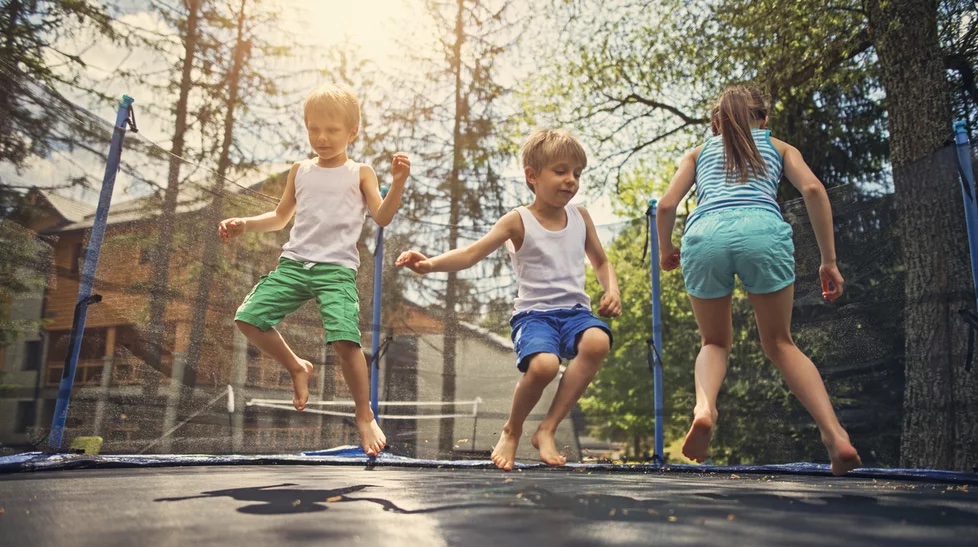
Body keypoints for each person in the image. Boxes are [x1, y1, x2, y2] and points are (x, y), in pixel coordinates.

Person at [656, 84, 861, 475]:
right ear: (764, 119)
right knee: (780, 343)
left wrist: (667, 248)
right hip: (762, 231)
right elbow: (814, 190)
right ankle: (835, 437)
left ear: (715, 124)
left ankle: (704, 409)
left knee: (714, 341)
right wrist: (828, 261)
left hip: (705, 236)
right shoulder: (780, 148)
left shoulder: (698, 154)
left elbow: (667, 205)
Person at [395, 129, 621, 471]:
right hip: (534, 316)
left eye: (577, 173)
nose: (571, 180)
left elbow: (602, 262)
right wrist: (429, 265)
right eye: (561, 171)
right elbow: (472, 253)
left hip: (575, 313)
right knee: (544, 365)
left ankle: (547, 428)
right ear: (532, 175)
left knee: (597, 341)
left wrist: (611, 290)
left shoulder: (581, 217)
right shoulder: (518, 220)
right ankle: (512, 429)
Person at [218, 83, 410, 456]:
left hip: (336, 270)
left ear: (351, 132)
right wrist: (245, 223)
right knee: (248, 317)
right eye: (314, 129)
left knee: (344, 341)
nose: (321, 137)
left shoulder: (360, 172)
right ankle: (296, 367)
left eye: (332, 130)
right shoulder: (300, 170)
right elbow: (279, 217)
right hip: (294, 263)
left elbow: (382, 216)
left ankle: (363, 413)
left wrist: (398, 184)